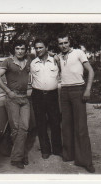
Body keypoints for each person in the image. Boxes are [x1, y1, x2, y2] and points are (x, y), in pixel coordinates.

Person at [56, 34, 95, 173]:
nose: (63, 45)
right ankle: (68, 155)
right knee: (66, 125)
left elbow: (90, 71)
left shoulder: (79, 52)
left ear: (69, 42)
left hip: (78, 89)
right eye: (60, 43)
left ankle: (85, 160)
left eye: (65, 42)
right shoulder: (59, 56)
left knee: (81, 126)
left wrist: (88, 90)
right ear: (58, 44)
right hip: (64, 91)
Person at [0, 40, 31, 169]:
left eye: (22, 48)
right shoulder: (8, 61)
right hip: (12, 98)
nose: (20, 51)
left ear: (26, 50)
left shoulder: (28, 61)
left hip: (24, 98)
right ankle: (18, 157)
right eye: (17, 48)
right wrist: (8, 91)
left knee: (24, 128)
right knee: (15, 129)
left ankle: (19, 154)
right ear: (14, 50)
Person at [30, 38, 62, 159]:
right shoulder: (33, 63)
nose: (38, 50)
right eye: (36, 48)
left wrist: (55, 55)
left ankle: (57, 149)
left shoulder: (55, 60)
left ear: (46, 47)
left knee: (55, 122)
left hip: (52, 95)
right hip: (37, 95)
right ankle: (45, 150)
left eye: (41, 47)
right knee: (41, 123)